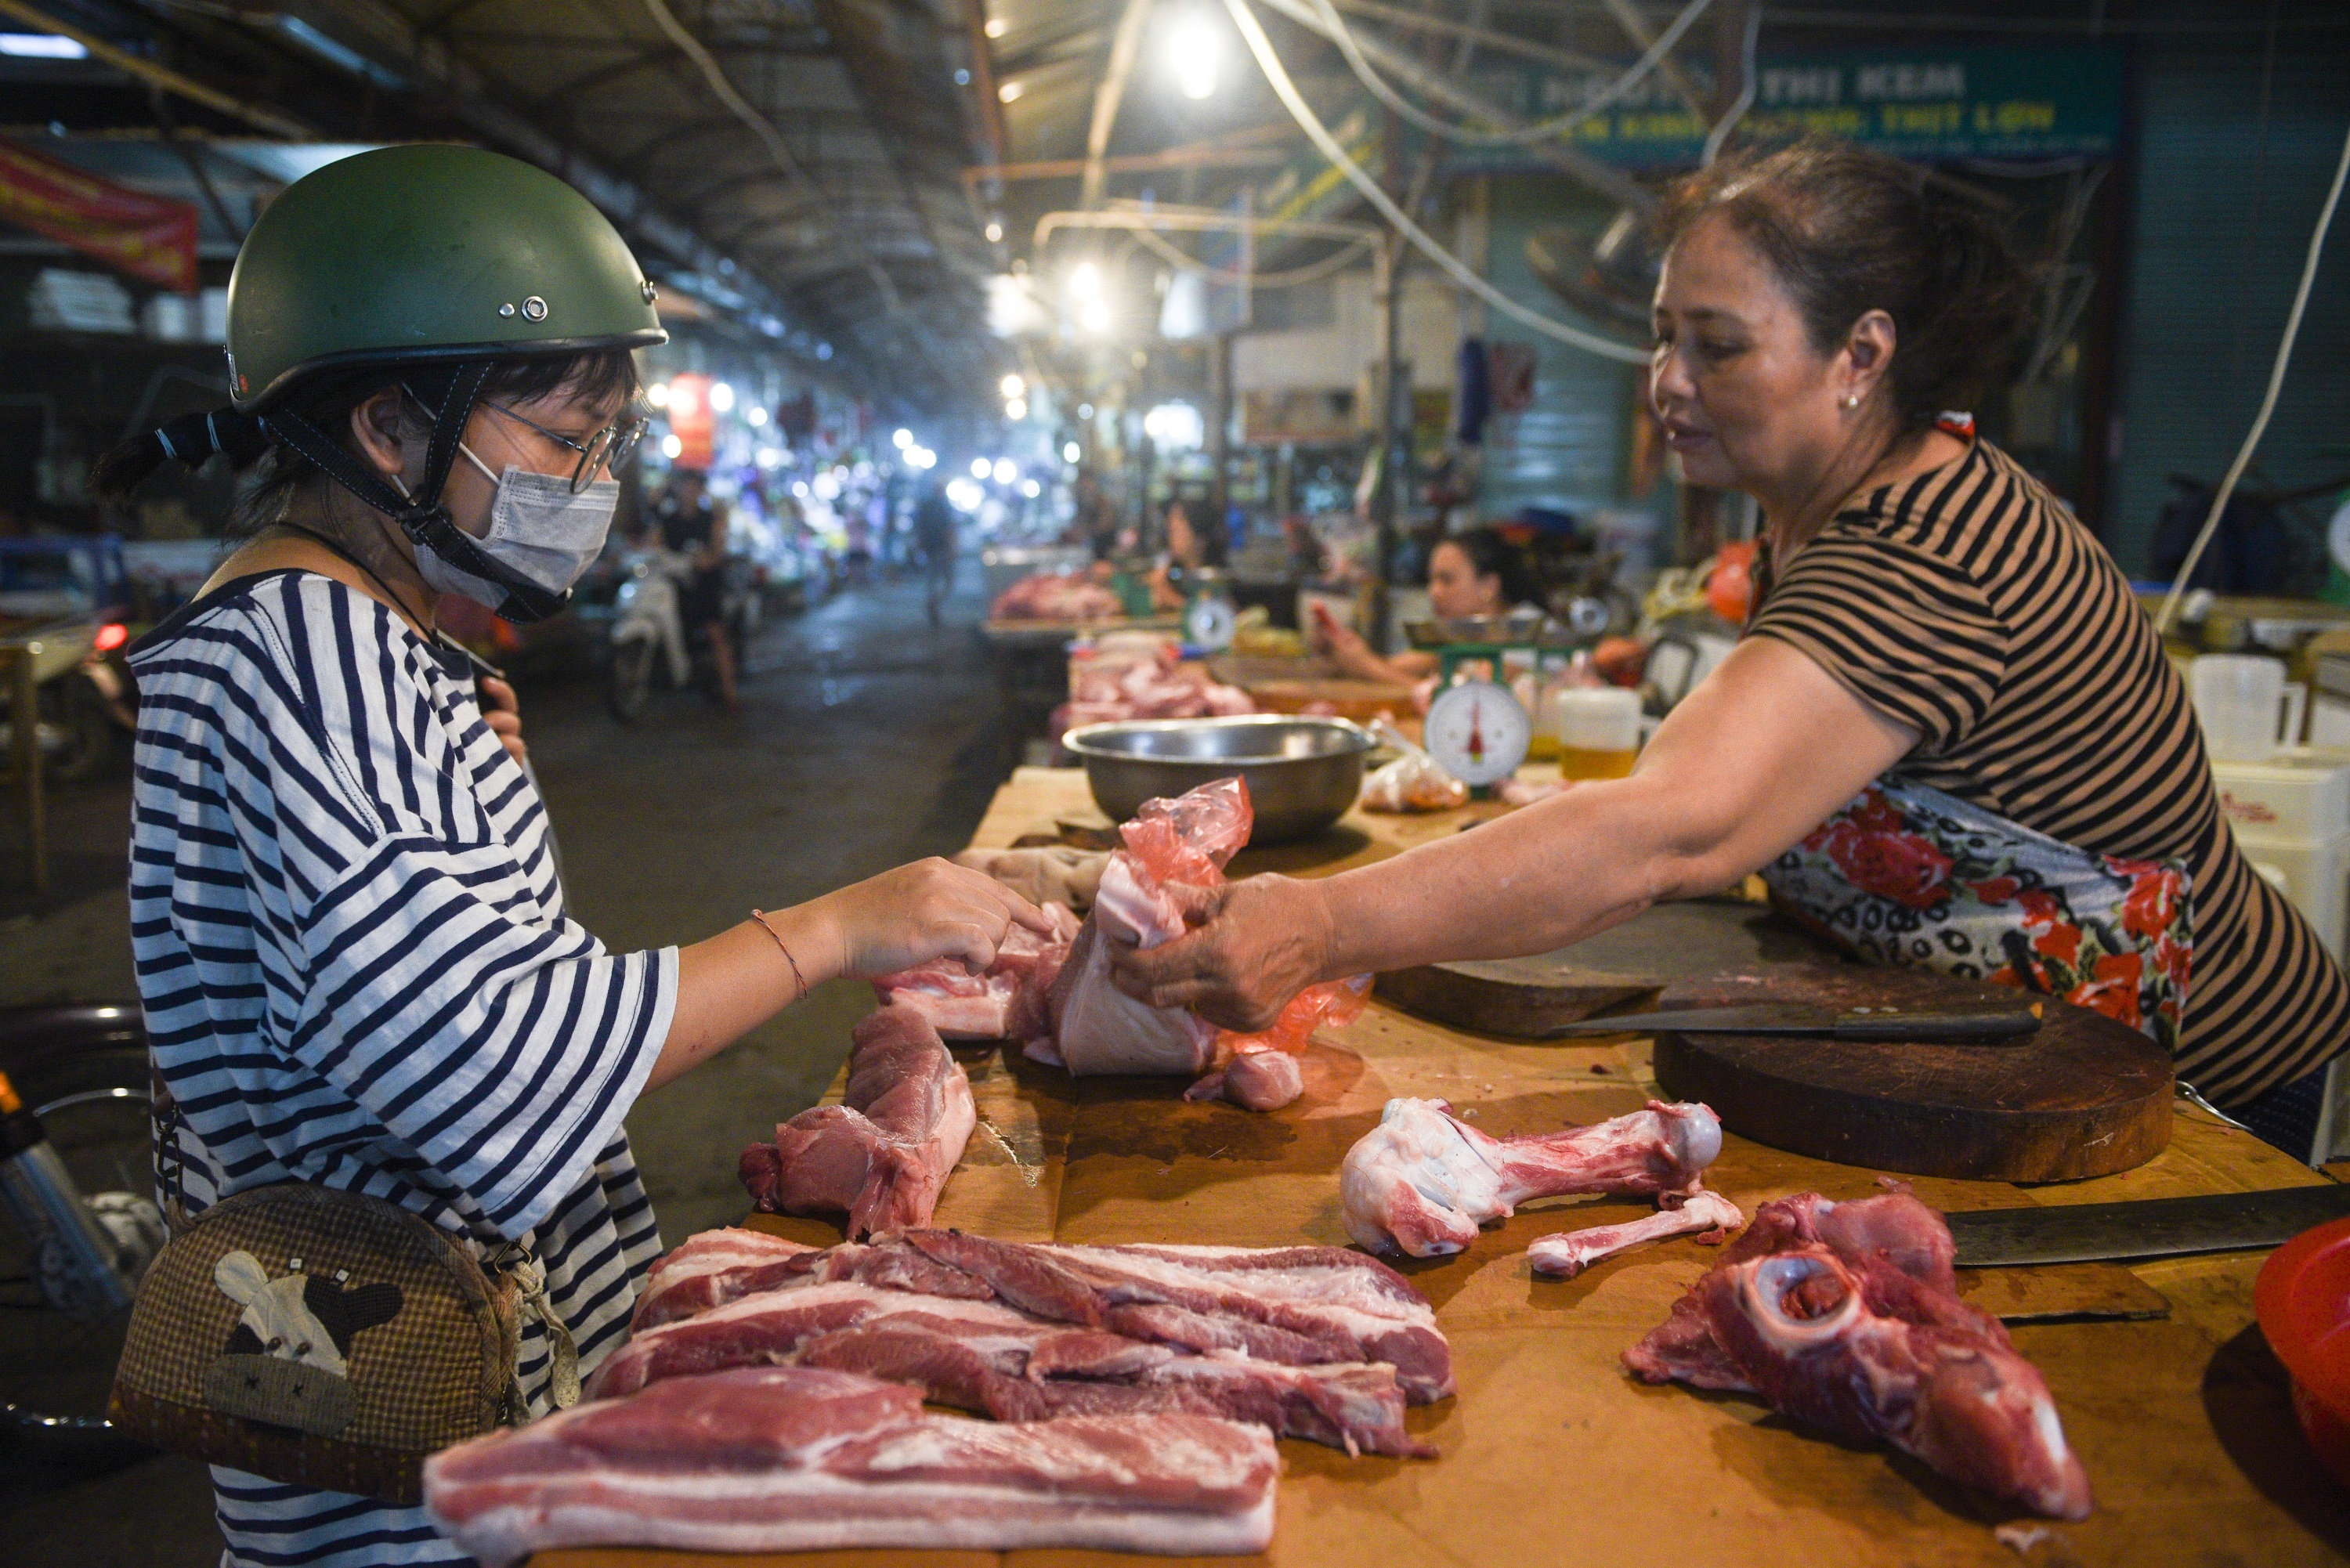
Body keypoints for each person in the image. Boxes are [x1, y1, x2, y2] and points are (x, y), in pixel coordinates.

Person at [91, 145, 1050, 1566]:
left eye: (607, 443)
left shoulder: (363, 638)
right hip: (404, 1473)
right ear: (386, 430)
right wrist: (848, 921)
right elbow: (495, 1066)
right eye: (558, 440)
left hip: (474, 1398)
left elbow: (404, 975)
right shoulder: (305, 656)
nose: (593, 482)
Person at [1109, 138, 2350, 1164]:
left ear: (1861, 355)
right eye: (1662, 338)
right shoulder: (1813, 522)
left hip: (2219, 1099)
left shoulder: (1931, 549)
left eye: (1720, 345)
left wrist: (1321, 924)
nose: (1668, 382)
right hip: (2004, 1071)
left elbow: (1673, 828)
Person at [1307, 525, 1538, 685]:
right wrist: (1337, 652)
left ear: (1489, 585)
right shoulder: (1461, 632)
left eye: (1446, 580)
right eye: (1432, 580)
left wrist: (1364, 665)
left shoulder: (1525, 627)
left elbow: (1468, 705)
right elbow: (1389, 668)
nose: (1433, 592)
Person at [651, 468, 738, 712]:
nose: (688, 492)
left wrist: (706, 560)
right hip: (675, 584)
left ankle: (731, 694)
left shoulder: (711, 518)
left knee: (715, 634)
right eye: (684, 486)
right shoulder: (668, 519)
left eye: (693, 487)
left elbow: (717, 552)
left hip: (705, 585)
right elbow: (652, 544)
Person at [1146, 497, 1225, 612]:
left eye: (1177, 531)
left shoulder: (1215, 579)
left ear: (1200, 539)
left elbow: (1216, 614)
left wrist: (1172, 600)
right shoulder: (1172, 573)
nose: (1171, 538)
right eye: (1170, 531)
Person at [913, 478, 957, 624]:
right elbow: (949, 528)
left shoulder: (925, 505)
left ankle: (932, 602)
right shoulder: (944, 507)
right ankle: (933, 603)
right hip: (941, 547)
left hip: (930, 547)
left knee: (933, 578)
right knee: (947, 580)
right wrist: (953, 547)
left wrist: (919, 544)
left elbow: (919, 527)